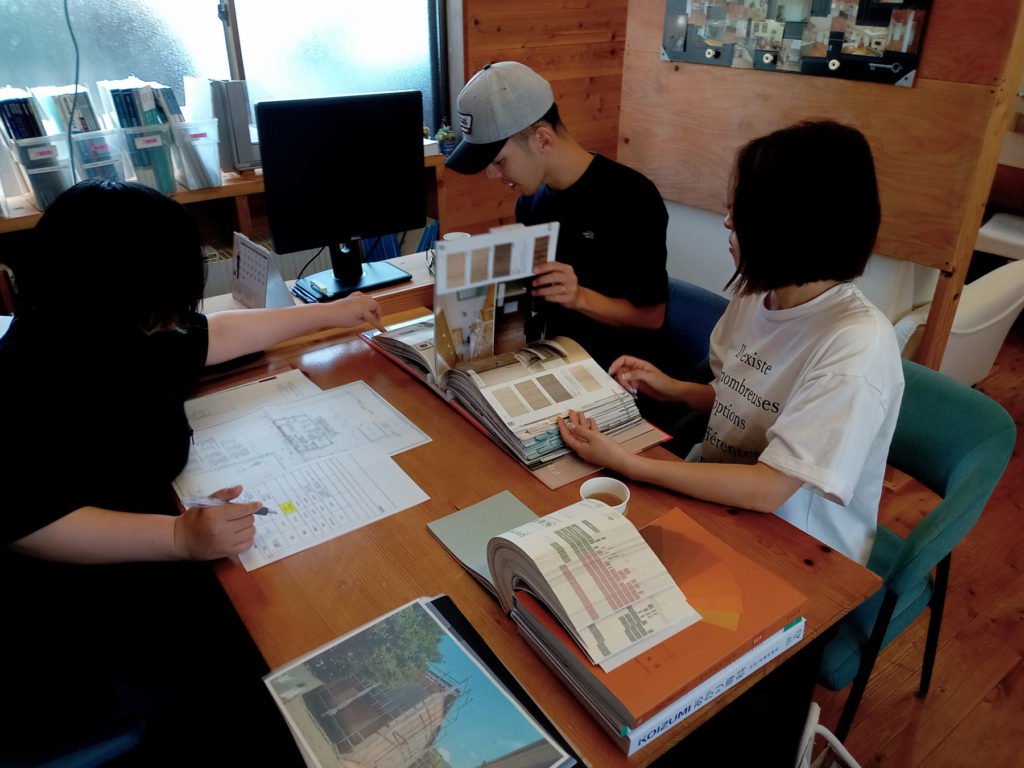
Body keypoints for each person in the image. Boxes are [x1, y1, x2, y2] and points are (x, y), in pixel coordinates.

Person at [0, 179, 386, 764]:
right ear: (115, 291)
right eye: (167, 299)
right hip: (87, 620)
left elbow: (215, 336)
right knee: (284, 635)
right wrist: (178, 538)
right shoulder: (26, 379)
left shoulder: (118, 333)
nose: (177, 318)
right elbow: (27, 521)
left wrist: (331, 313)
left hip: (161, 558)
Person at [557, 121, 904, 566]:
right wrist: (675, 390)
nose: (727, 221)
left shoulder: (855, 345)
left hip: (792, 547)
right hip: (713, 494)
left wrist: (630, 463)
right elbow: (741, 403)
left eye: (743, 210)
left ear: (791, 225)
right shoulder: (759, 294)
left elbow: (769, 489)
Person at [445, 61, 669, 370]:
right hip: (547, 357)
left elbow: (653, 318)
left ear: (542, 139)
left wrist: (579, 297)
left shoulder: (632, 197)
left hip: (614, 371)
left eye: (499, 161)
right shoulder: (530, 202)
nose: (492, 174)